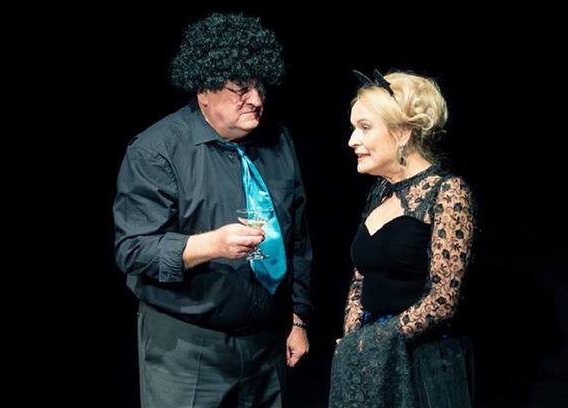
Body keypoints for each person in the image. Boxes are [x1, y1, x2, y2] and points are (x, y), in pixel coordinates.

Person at [113, 13, 312, 408]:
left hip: (266, 345)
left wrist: (298, 318)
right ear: (204, 89)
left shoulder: (278, 142)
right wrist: (212, 245)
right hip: (187, 348)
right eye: (241, 89)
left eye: (260, 86)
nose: (256, 100)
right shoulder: (156, 151)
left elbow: (298, 239)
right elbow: (132, 250)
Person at [329, 70, 477, 408]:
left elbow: (442, 300)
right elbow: (361, 277)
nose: (352, 140)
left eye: (365, 127)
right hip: (372, 357)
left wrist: (374, 342)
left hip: (422, 362)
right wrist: (354, 339)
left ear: (402, 133)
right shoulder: (381, 191)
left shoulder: (447, 192)